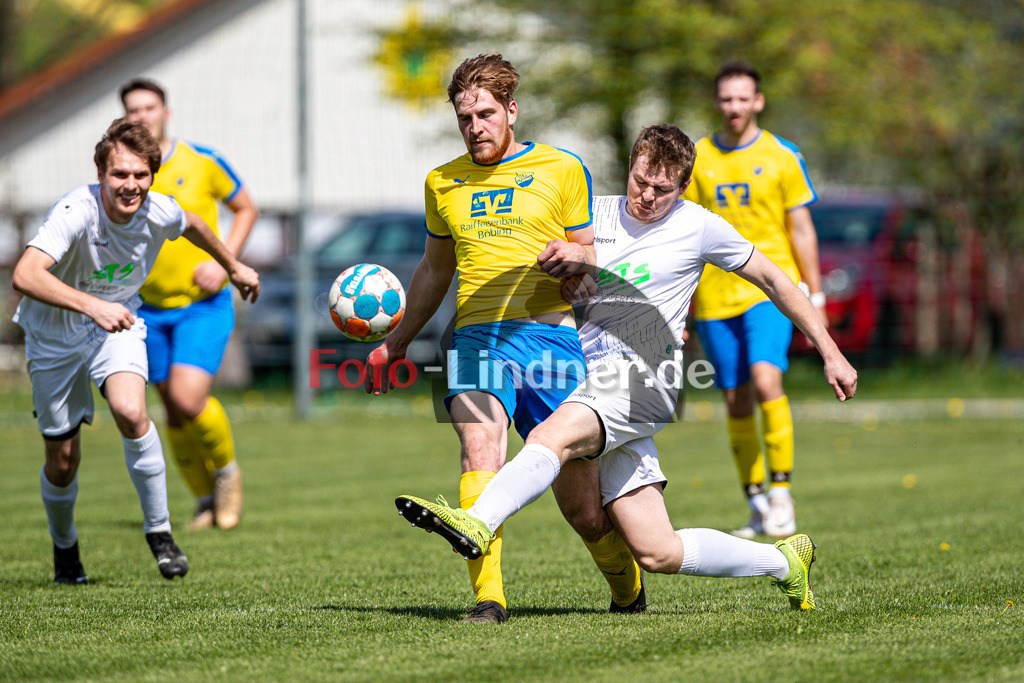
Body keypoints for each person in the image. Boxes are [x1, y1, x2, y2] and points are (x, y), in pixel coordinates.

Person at [395, 124, 857, 612]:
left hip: (645, 378)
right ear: (630, 168)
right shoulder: (593, 217)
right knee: (657, 549)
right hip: (591, 379)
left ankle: (478, 521)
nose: (648, 196)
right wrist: (572, 285)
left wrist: (828, 348)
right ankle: (784, 561)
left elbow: (775, 280)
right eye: (641, 181)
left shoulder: (699, 225)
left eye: (663, 189)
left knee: (548, 436)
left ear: (683, 187)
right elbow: (547, 275)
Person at [365, 54, 644, 624]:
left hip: (552, 340)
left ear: (511, 111)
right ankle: (488, 600)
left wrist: (574, 258)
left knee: (584, 511)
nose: (475, 127)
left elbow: (589, 258)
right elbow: (434, 272)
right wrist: (394, 344)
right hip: (474, 338)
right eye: (465, 118)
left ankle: (627, 589)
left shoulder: (562, 167)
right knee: (479, 450)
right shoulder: (441, 182)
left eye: (486, 114)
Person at [11, 118, 260, 583]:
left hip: (116, 324)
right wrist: (91, 305)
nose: (130, 185)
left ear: (153, 175)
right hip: (54, 335)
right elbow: (25, 275)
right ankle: (65, 547)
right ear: (101, 173)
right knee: (62, 461)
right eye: (120, 174)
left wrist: (233, 265)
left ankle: (160, 534)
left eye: (141, 175)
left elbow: (195, 224)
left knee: (131, 411)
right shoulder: (75, 211)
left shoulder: (157, 210)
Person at [682, 62, 828, 538]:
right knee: (735, 398)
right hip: (715, 295)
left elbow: (801, 229)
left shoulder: (784, 155)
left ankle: (782, 493)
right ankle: (756, 502)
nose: (734, 107)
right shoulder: (699, 157)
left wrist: (816, 293)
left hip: (771, 292)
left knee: (767, 381)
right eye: (726, 99)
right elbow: (684, 234)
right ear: (717, 103)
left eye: (742, 98)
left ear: (758, 101)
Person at [120, 78, 259, 531]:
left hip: (203, 304)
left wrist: (225, 263)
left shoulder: (202, 161)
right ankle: (203, 502)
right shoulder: (125, 173)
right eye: (133, 110)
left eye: (149, 107)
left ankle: (227, 475)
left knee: (187, 396)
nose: (142, 116)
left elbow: (246, 209)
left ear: (166, 112)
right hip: (147, 309)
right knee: (172, 411)